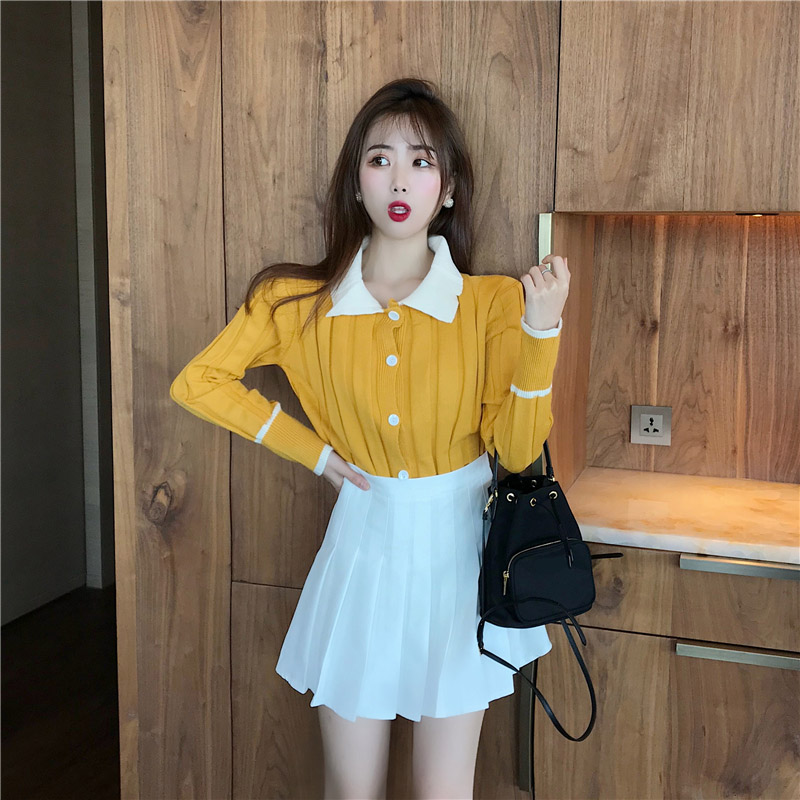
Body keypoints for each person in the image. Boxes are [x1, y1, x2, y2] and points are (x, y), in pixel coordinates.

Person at [169, 77, 570, 800]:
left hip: (460, 558)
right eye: (380, 159)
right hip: (362, 552)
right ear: (356, 182)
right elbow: (198, 382)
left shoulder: (491, 303)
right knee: (351, 790)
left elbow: (515, 453)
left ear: (449, 189)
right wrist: (315, 455)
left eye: (422, 161)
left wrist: (541, 334)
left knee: (444, 792)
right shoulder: (296, 303)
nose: (400, 180)